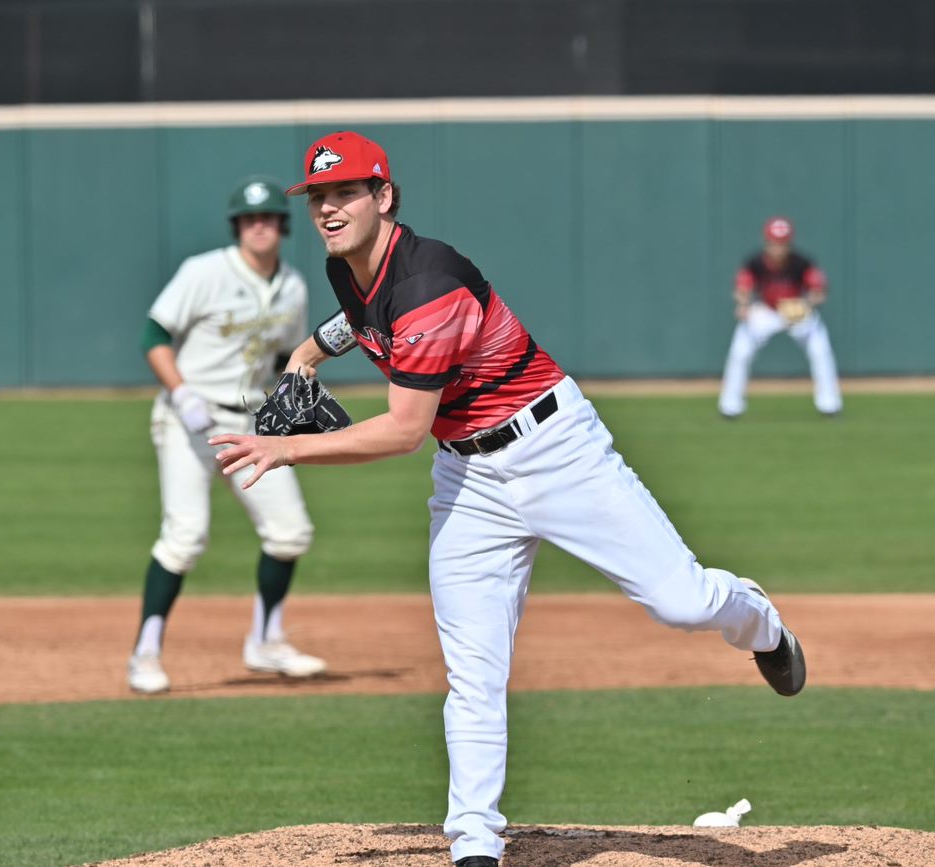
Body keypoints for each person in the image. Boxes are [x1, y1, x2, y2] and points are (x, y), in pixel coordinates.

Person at [208, 132, 806, 867]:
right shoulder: (348, 265)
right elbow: (356, 319)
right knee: (474, 670)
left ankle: (759, 619)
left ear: (383, 197)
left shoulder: (431, 282)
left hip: (557, 453)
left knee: (682, 601)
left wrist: (285, 447)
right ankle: (475, 840)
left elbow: (402, 431)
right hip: (469, 479)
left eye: (346, 192)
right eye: (320, 196)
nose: (330, 208)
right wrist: (307, 353)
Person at [126, 175, 327, 695]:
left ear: (282, 225)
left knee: (290, 532)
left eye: (267, 218)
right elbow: (155, 334)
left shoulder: (294, 286)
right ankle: (144, 653)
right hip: (188, 418)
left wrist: (296, 402)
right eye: (249, 219)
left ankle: (266, 641)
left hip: (249, 422)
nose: (258, 227)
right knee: (185, 536)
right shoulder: (205, 272)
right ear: (238, 226)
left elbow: (288, 357)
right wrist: (182, 392)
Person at [718, 216, 843, 418]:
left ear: (789, 243)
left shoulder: (801, 262)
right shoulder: (755, 262)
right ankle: (730, 407)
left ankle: (829, 405)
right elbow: (743, 287)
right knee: (740, 351)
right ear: (767, 242)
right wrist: (743, 305)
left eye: (782, 244)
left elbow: (819, 291)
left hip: (796, 310)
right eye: (774, 243)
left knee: (820, 349)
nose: (778, 248)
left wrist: (807, 304)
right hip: (766, 311)